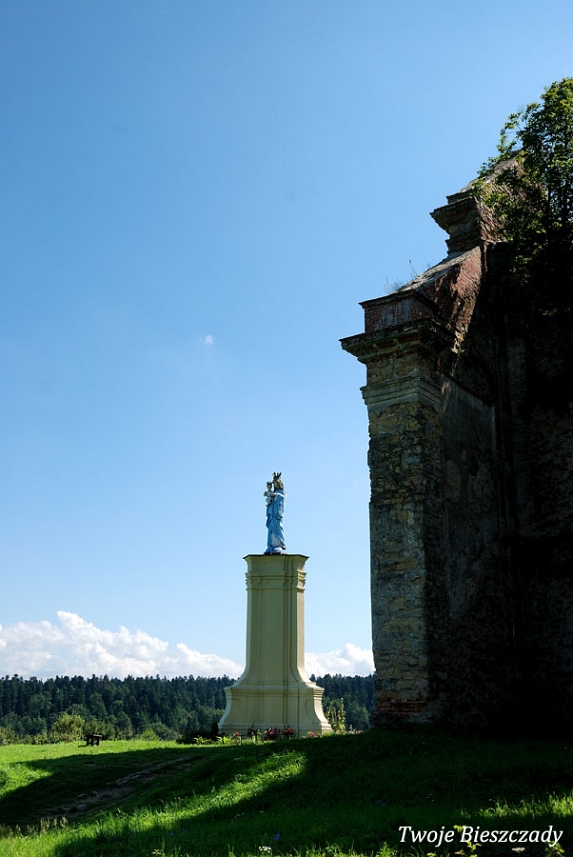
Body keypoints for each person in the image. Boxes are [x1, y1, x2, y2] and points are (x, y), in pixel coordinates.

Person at [264, 473, 286, 554]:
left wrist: (275, 495)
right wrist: (269, 499)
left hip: (277, 513)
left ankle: (280, 543)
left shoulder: (281, 491)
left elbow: (281, 497)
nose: (275, 484)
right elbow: (269, 500)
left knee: (278, 527)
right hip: (272, 513)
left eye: (275, 482)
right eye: (274, 483)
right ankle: (272, 544)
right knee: (271, 528)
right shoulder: (274, 491)